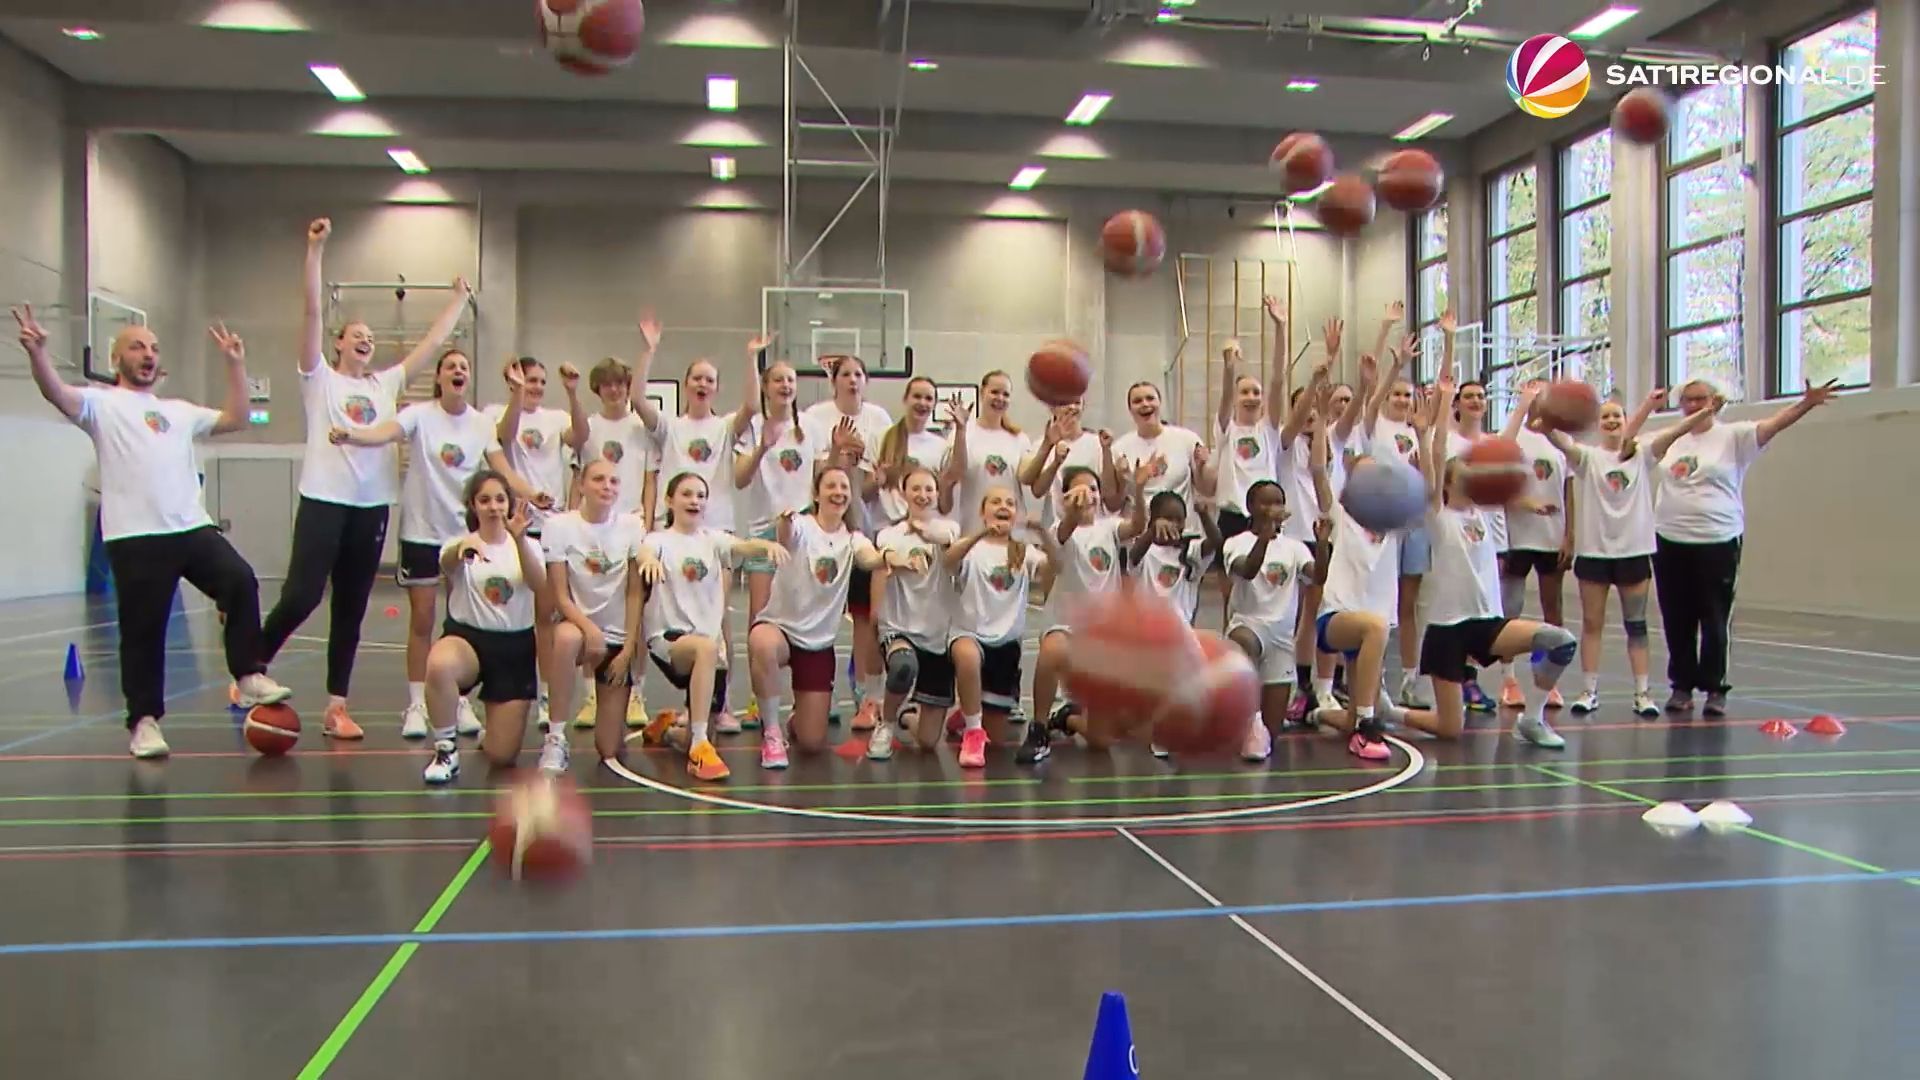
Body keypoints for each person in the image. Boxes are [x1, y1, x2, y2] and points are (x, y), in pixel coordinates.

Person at [15, 307, 291, 759]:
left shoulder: (179, 412)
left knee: (239, 579)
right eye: (137, 346)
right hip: (135, 536)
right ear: (116, 357)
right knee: (144, 633)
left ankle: (247, 675)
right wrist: (40, 354)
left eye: (154, 348)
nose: (147, 354)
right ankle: (144, 722)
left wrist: (236, 365)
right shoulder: (100, 404)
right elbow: (56, 394)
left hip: (190, 527)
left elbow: (238, 417)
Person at [256, 218, 469, 740]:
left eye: (371, 338)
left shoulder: (385, 383)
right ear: (338, 345)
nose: (367, 342)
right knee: (304, 595)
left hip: (371, 507)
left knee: (351, 609)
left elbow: (431, 343)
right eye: (357, 336)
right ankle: (251, 664)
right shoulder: (318, 380)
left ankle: (336, 706)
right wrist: (315, 250)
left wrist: (459, 300)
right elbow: (310, 310)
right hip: (324, 500)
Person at [1337, 377, 1579, 749]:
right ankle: (1391, 712)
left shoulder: (1485, 511)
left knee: (1559, 641)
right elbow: (1433, 466)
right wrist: (1425, 429)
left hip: (1486, 623)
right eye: (1462, 470)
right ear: (1449, 483)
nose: (1473, 471)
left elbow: (1504, 449)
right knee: (1451, 728)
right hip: (1447, 629)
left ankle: (1532, 718)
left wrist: (1524, 407)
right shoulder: (1438, 514)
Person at [330, 348, 544, 740]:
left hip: (466, 535)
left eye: (464, 366)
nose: (458, 370)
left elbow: (504, 469)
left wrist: (534, 492)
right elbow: (386, 432)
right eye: (450, 366)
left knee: (461, 620)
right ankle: (416, 704)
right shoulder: (419, 415)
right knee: (424, 619)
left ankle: (457, 698)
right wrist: (354, 435)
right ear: (440, 378)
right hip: (423, 532)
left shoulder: (481, 423)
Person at [1651, 377, 1838, 715]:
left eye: (1700, 399)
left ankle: (1714, 688)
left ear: (1716, 401)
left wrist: (1806, 403)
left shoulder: (1733, 436)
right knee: (1676, 617)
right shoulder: (1673, 439)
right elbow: (1629, 449)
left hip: (1717, 539)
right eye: (1687, 400)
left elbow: (1773, 425)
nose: (1693, 405)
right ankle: (1681, 686)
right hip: (1669, 537)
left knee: (1714, 616)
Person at [631, 320, 763, 732]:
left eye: (710, 380)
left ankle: (715, 706)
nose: (703, 384)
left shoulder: (724, 428)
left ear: (716, 389)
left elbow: (754, 408)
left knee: (717, 618)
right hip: (671, 539)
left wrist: (751, 358)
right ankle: (635, 690)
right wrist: (649, 350)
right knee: (657, 618)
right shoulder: (670, 427)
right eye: (697, 378)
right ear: (686, 386)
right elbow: (637, 398)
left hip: (714, 535)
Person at [640, 473, 787, 780]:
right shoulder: (658, 540)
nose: (695, 500)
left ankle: (670, 730)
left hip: (706, 652)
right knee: (705, 649)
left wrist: (766, 546)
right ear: (670, 500)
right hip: (670, 641)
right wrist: (648, 562)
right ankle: (698, 748)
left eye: (701, 495)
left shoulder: (713, 540)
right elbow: (645, 552)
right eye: (687, 494)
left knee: (703, 725)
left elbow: (745, 546)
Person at [1539, 390, 1676, 717]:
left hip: (1634, 552)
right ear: (1598, 424)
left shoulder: (1641, 455)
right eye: (1606, 416)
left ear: (1626, 422)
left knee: (1637, 625)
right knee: (1592, 623)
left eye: (1618, 415)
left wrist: (1662, 408)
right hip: (1595, 554)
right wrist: (1544, 420)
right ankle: (1589, 691)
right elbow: (1559, 441)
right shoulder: (1587, 457)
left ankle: (1642, 693)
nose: (1612, 421)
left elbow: (1674, 432)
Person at [420, 471, 552, 784]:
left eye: (499, 499)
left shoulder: (529, 545)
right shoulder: (459, 544)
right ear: (473, 505)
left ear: (509, 504)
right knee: (439, 663)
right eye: (485, 500)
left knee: (502, 755)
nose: (493, 507)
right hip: (468, 639)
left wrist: (519, 540)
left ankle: (490, 732)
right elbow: (447, 564)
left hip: (514, 648)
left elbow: (539, 584)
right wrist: (462, 550)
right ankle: (446, 749)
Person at [749, 465, 885, 768]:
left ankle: (799, 719)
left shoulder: (853, 538)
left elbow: (870, 558)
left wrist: (889, 558)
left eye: (844, 488)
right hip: (781, 630)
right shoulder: (802, 525)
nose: (838, 492)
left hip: (817, 644)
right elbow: (787, 535)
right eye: (831, 486)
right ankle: (771, 732)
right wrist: (783, 521)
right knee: (761, 642)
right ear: (816, 494)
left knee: (811, 742)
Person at [1021, 459, 1149, 765]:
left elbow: (1138, 526)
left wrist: (1139, 489)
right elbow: (1060, 539)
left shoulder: (1109, 527)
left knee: (1101, 740)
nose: (1088, 495)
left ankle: (1067, 718)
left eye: (1093, 489)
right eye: (1080, 490)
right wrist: (1071, 516)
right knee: (1052, 651)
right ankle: (1038, 728)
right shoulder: (1060, 529)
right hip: (1066, 625)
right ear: (1065, 497)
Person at [801, 355, 894, 728]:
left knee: (865, 619)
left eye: (859, 373)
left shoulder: (879, 420)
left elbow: (869, 491)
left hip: (862, 531)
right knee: (814, 614)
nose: (852, 380)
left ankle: (866, 696)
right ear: (833, 380)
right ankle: (806, 691)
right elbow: (815, 481)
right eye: (845, 374)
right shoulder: (815, 417)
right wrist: (838, 454)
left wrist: (871, 474)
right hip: (823, 535)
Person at [567, 356, 658, 731]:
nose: (615, 390)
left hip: (631, 529)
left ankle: (637, 692)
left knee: (636, 613)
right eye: (607, 384)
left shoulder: (642, 428)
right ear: (597, 389)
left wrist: (648, 526)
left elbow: (652, 480)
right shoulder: (587, 429)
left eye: (621, 383)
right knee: (591, 612)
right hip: (592, 533)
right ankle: (590, 693)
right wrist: (573, 521)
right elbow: (577, 479)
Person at [542, 459, 650, 769]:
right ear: (581, 485)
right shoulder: (559, 527)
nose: (607, 486)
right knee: (564, 637)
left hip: (616, 636)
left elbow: (634, 592)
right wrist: (589, 629)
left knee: (610, 749)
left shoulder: (631, 526)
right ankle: (556, 737)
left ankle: (667, 730)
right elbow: (560, 596)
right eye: (599, 479)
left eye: (614, 481)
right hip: (578, 627)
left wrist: (628, 648)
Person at [733, 356, 824, 720]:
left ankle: (804, 700)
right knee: (761, 620)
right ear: (766, 387)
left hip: (802, 531)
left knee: (804, 615)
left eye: (791, 380)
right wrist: (762, 448)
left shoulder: (811, 428)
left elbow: (821, 478)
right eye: (778, 381)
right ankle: (761, 700)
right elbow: (739, 478)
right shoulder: (752, 427)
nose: (785, 386)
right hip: (763, 532)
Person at [944, 488, 1057, 768]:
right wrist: (981, 534)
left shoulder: (1022, 551)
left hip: (1005, 645)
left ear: (1016, 514)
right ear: (983, 512)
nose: (1003, 506)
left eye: (1009, 503)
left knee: (996, 737)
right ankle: (972, 728)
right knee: (968, 656)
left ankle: (967, 713)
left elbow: (1056, 566)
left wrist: (1043, 532)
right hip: (968, 633)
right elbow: (948, 561)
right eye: (995, 501)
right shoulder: (971, 548)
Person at [1222, 480, 1328, 762]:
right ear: (1250, 508)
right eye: (1265, 503)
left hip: (1281, 639)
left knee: (1272, 731)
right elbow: (1247, 570)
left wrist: (1322, 543)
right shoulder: (1236, 543)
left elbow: (1317, 576)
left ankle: (1256, 724)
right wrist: (1265, 534)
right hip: (1249, 624)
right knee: (1243, 642)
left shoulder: (1294, 548)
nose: (1273, 509)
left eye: (1278, 503)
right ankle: (1243, 714)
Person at [1358, 322, 1430, 708]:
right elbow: (1373, 395)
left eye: (1407, 394)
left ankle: (1411, 679)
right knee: (1382, 600)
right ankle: (1377, 679)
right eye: (1397, 393)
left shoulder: (1417, 428)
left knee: (1409, 603)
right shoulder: (1376, 426)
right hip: (1383, 524)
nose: (1401, 399)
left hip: (1413, 523)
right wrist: (1395, 358)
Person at [872, 467, 961, 759]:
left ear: (937, 494)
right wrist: (897, 561)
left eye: (928, 490)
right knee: (902, 667)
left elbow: (948, 541)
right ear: (903, 493)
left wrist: (927, 531)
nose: (922, 495)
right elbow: (885, 556)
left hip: (937, 635)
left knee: (927, 741)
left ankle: (905, 716)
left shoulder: (949, 530)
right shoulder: (889, 534)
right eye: (916, 489)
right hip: (899, 628)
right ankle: (884, 724)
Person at [1497, 378, 1574, 711]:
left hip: (1551, 535)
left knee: (1552, 609)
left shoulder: (1561, 439)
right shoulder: (1514, 435)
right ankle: (1509, 680)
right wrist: (1527, 504)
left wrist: (1570, 533)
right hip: (1518, 535)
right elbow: (1499, 473)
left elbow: (1570, 489)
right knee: (1510, 610)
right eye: (1534, 393)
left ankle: (1547, 681)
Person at [1110, 381, 1212, 533]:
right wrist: (1120, 476)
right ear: (1130, 409)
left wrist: (1202, 465)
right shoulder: (1119, 448)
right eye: (1137, 401)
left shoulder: (1187, 439)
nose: (1145, 404)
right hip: (1142, 537)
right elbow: (1113, 505)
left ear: (1160, 403)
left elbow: (1206, 490)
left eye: (1150, 398)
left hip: (1185, 533)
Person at [944, 370, 1037, 533]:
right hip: (973, 529)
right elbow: (955, 473)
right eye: (994, 392)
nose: (1000, 398)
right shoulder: (963, 432)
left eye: (1005, 394)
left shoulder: (1019, 438)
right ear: (982, 393)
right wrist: (960, 430)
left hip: (1011, 531)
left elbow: (1028, 480)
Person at [1025, 401, 1122, 525]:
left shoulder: (1098, 443)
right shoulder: (1040, 446)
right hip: (1061, 528)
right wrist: (1054, 458)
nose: (1071, 407)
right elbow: (1037, 491)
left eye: (1076, 402)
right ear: (1052, 408)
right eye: (1064, 402)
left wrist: (1106, 450)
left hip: (1097, 527)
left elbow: (1110, 496)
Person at [874, 376, 952, 524]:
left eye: (928, 398)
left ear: (934, 405)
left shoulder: (941, 446)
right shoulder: (882, 438)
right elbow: (864, 492)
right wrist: (878, 481)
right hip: (885, 526)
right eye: (917, 396)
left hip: (925, 528)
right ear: (905, 399)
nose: (922, 403)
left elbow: (944, 503)